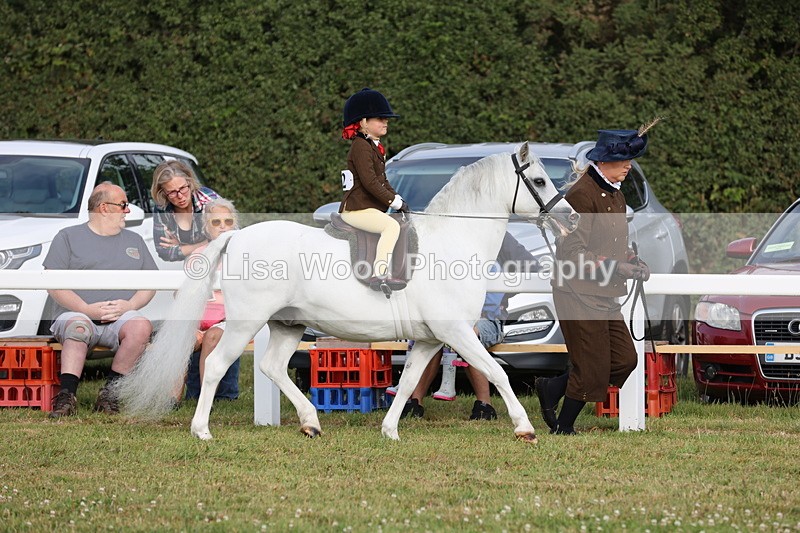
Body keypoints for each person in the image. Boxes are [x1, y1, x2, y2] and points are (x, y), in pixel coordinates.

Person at [536, 122, 656, 435]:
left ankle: (555, 387)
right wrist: (618, 268)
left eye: (629, 158)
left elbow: (613, 244)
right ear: (602, 162)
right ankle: (563, 428)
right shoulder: (581, 195)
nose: (628, 165)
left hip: (603, 293)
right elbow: (572, 254)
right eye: (621, 159)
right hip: (576, 292)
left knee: (625, 359)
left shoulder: (615, 194)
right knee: (591, 366)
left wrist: (633, 260)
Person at [395, 232, 540, 420]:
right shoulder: (453, 241)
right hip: (453, 318)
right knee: (434, 331)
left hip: (488, 319)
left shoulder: (499, 240)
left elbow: (534, 269)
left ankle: (484, 404)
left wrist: (505, 293)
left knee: (466, 335)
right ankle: (415, 402)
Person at [44, 183, 158, 418]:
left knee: (141, 327)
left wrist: (130, 306)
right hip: (75, 313)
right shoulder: (67, 237)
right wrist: (85, 309)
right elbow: (54, 284)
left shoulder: (135, 240)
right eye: (123, 205)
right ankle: (67, 397)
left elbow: (150, 284)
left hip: (119, 318)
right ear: (104, 208)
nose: (128, 210)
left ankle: (110, 394)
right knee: (78, 325)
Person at [339, 88, 408, 291]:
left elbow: (382, 180)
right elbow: (370, 183)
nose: (385, 122)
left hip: (368, 208)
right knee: (391, 227)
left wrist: (398, 198)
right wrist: (393, 202)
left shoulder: (374, 146)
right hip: (356, 210)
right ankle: (379, 275)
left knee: (400, 224)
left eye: (386, 118)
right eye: (380, 118)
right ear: (363, 123)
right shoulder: (360, 146)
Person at [183, 198, 241, 401]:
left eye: (228, 222)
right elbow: (185, 294)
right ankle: (173, 400)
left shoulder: (243, 255)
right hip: (198, 320)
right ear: (206, 228)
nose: (223, 227)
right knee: (183, 336)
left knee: (212, 336)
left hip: (230, 321)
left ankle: (205, 400)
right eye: (216, 223)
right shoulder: (198, 255)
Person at [151, 160, 219, 262]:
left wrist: (182, 246)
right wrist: (205, 243)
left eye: (183, 188)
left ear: (189, 182)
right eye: (172, 192)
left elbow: (225, 239)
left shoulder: (208, 201)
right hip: (194, 267)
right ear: (163, 193)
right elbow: (164, 252)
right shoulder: (162, 209)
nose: (180, 196)